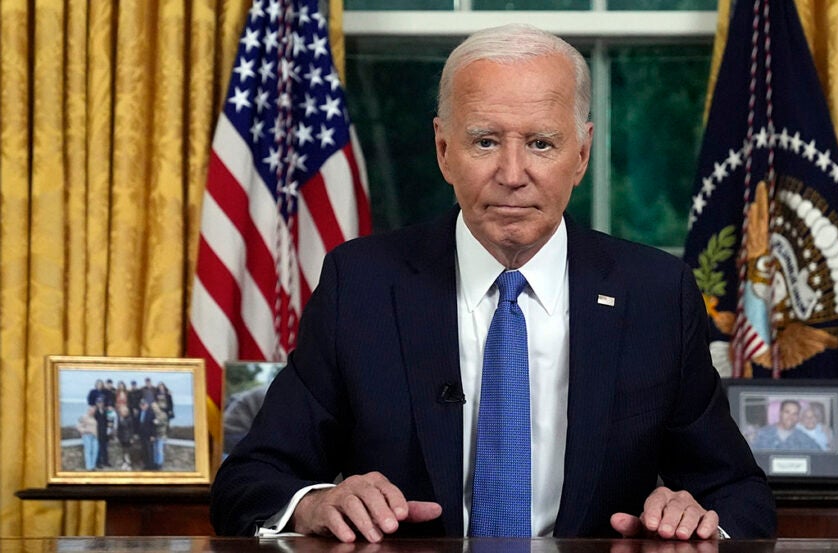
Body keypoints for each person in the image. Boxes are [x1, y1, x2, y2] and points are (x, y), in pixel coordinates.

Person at [210, 23, 775, 542]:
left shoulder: (656, 293)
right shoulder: (361, 285)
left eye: (541, 144)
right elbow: (253, 479)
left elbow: (739, 494)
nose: (511, 174)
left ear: (581, 154)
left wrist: (698, 521)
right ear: (443, 150)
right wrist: (314, 503)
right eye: (485, 141)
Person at [751, 400, 822, 451]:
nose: (790, 417)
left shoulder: (804, 439)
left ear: (798, 417)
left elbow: (820, 456)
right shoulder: (762, 434)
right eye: (787, 412)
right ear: (780, 413)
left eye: (795, 414)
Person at [76, 405, 99, 471]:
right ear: (88, 410)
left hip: (94, 436)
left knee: (95, 451)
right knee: (88, 451)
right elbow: (78, 425)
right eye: (91, 410)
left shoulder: (94, 418)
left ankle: (93, 466)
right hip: (87, 436)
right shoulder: (84, 417)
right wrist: (84, 431)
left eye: (93, 411)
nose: (92, 412)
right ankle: (89, 467)